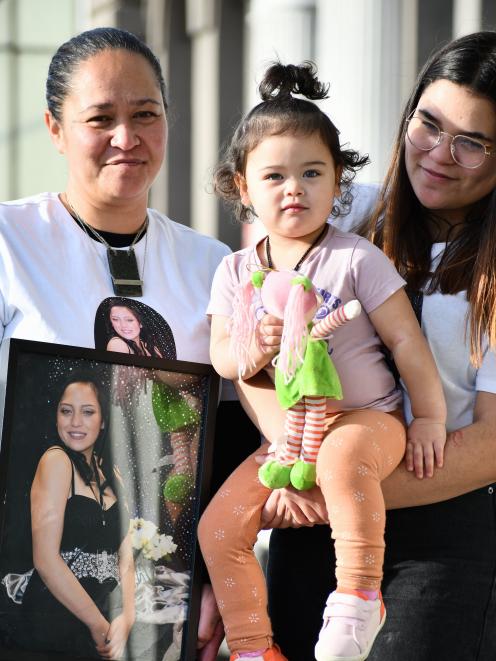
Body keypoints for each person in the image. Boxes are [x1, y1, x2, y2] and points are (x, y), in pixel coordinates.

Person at [0, 26, 260, 660]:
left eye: (146, 114)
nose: (127, 137)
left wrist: (214, 583)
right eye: (101, 118)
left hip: (164, 592)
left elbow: (231, 435)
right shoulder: (9, 242)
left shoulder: (212, 263)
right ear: (55, 129)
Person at [246, 31, 496, 661]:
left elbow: (494, 442)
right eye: (429, 124)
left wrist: (340, 489)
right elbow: (255, 353)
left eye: (472, 143)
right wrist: (300, 465)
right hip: (315, 524)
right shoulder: (344, 209)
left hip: (441, 531)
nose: (439, 154)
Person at [199, 62, 447, 661]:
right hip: (286, 440)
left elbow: (408, 343)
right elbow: (224, 359)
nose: (295, 189)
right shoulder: (236, 271)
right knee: (218, 527)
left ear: (339, 181)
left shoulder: (356, 258)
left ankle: (360, 595)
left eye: (313, 173)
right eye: (275, 175)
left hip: (366, 421)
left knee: (341, 458)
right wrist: (256, 342)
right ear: (242, 186)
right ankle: (255, 646)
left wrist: (431, 419)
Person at [11, 375, 133, 659]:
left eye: (87, 411)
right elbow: (45, 560)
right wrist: (98, 624)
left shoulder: (111, 473)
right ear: (56, 417)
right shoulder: (56, 460)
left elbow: (126, 555)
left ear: (103, 420)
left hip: (106, 616)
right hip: (56, 621)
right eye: (66, 411)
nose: (75, 421)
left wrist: (127, 617)